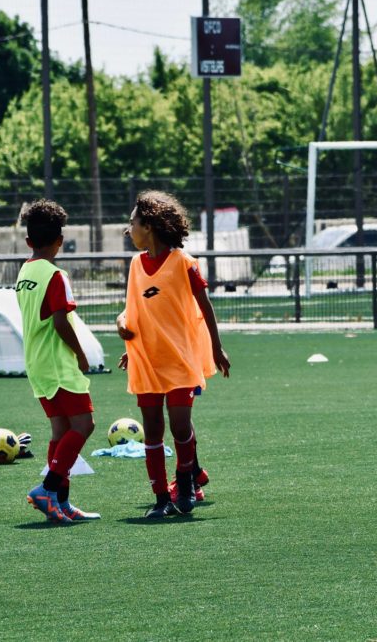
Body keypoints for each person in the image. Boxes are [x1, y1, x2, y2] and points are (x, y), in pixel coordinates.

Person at [116, 191, 230, 518]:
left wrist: (216, 347)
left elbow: (205, 306)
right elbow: (133, 310)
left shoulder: (184, 262)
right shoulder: (135, 264)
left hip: (180, 359)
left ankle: (186, 481)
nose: (128, 229)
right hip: (146, 360)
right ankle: (160, 498)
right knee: (152, 430)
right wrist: (122, 327)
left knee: (180, 426)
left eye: (132, 222)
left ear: (149, 226)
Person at [16, 200, 100, 524]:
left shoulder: (25, 271)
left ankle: (60, 503)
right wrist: (81, 354)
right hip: (57, 363)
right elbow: (61, 322)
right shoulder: (55, 275)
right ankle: (47, 489)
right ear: (60, 241)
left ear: (29, 241)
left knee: (60, 430)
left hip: (36, 362)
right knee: (84, 425)